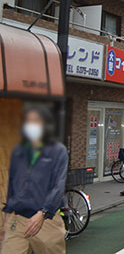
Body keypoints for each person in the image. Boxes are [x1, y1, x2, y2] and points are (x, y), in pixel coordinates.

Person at [1, 106, 68, 254]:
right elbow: (13, 185)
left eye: (36, 121)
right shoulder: (19, 151)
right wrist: (6, 219)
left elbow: (58, 186)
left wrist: (43, 213)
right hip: (18, 219)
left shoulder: (58, 151)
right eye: (28, 121)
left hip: (46, 221)